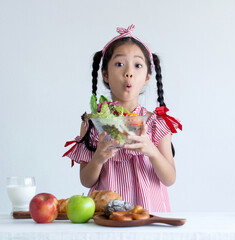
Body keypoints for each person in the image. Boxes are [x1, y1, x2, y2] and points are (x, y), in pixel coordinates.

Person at [63, 25, 182, 212]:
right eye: (119, 64)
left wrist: (151, 150)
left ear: (147, 77)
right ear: (105, 74)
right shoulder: (92, 124)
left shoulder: (157, 123)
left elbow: (170, 178)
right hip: (106, 216)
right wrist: (98, 158)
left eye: (138, 65)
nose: (129, 72)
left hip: (149, 215)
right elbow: (86, 181)